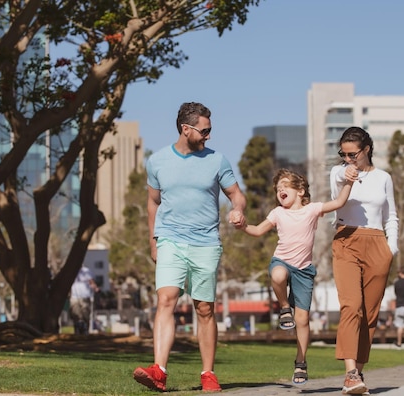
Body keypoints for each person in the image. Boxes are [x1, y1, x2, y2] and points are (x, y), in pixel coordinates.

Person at [132, 102, 247, 393]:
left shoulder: (217, 160)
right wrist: (153, 240)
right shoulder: (157, 161)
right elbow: (152, 203)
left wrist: (237, 210)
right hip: (170, 238)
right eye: (204, 131)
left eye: (210, 131)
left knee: (204, 308)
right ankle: (159, 370)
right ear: (186, 129)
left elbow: (236, 195)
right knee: (166, 300)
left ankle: (208, 373)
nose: (208, 136)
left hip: (206, 243)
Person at [241, 168, 357, 385]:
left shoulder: (312, 210)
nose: (280, 189)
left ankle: (301, 362)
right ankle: (284, 307)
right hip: (282, 261)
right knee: (277, 274)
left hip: (304, 271)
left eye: (285, 185)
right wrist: (242, 225)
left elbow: (339, 202)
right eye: (277, 188)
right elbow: (257, 230)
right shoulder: (277, 213)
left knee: (302, 320)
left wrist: (348, 182)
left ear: (301, 191)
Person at [329, 126, 399, 395]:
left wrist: (390, 248)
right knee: (351, 307)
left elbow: (391, 215)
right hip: (346, 239)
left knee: (369, 314)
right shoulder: (338, 173)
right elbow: (336, 184)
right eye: (343, 154)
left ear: (366, 149)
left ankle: (358, 373)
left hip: (377, 244)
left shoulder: (383, 177)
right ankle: (349, 374)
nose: (348, 159)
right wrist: (345, 175)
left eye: (353, 154)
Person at [69, 267, 99, 335]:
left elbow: (91, 282)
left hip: (85, 296)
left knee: (85, 314)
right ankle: (77, 330)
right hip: (74, 296)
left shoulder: (86, 270)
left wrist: (95, 288)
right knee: (75, 314)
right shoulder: (71, 270)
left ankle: (85, 330)